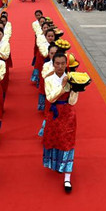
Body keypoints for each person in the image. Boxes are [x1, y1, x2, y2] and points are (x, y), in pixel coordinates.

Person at [43, 52, 79, 193]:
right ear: (53, 64)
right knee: (55, 139)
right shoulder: (49, 79)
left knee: (68, 141)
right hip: (54, 113)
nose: (59, 66)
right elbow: (50, 98)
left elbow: (73, 101)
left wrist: (74, 90)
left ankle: (67, 177)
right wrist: (63, 87)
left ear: (66, 64)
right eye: (57, 63)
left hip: (68, 114)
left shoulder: (72, 78)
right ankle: (57, 164)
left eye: (62, 64)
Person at [38, 44, 58, 136]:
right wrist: (55, 70)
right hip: (50, 92)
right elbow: (44, 76)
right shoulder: (46, 65)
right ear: (48, 54)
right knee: (49, 113)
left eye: (56, 53)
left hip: (60, 94)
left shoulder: (64, 65)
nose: (53, 55)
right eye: (51, 53)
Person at [0, 26, 10, 98]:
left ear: (3, 35)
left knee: (2, 81)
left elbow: (6, 56)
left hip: (2, 63)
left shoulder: (6, 44)